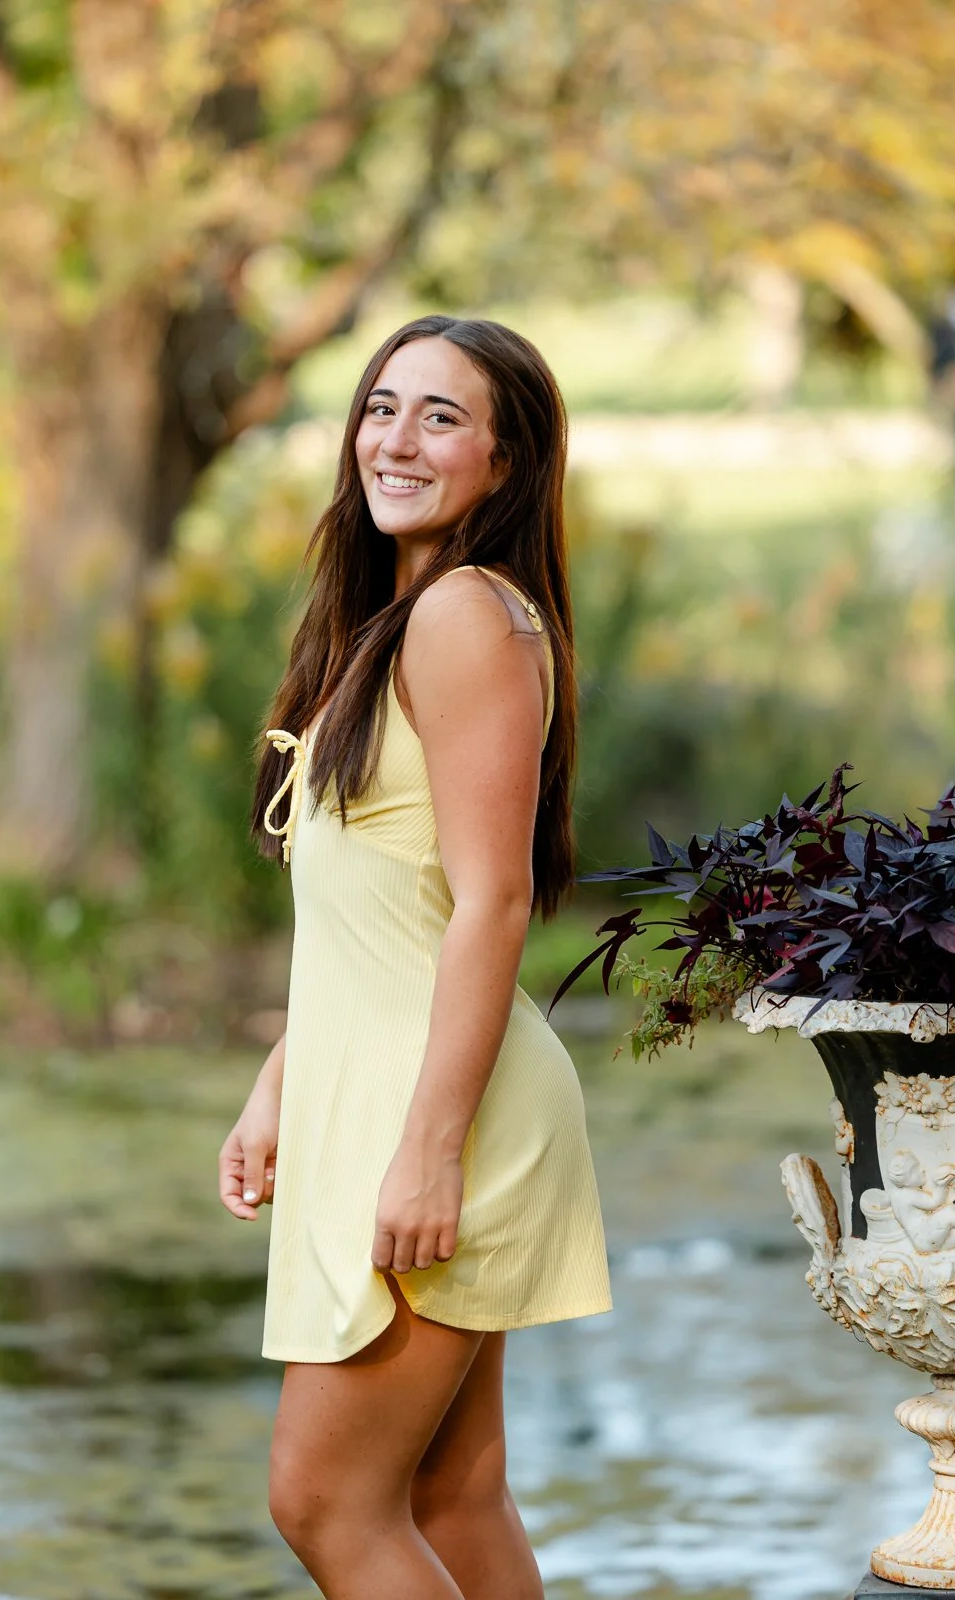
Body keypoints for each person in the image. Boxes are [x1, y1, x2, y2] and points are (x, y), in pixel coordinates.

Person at [218, 314, 611, 1600]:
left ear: (506, 460)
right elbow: (385, 914)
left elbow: (492, 905)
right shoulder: (394, 622)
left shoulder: (462, 617)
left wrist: (430, 1148)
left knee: (326, 1500)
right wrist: (279, 1083)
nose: (395, 438)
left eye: (441, 416)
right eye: (382, 406)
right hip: (393, 1092)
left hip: (443, 1109)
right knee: (449, 1495)